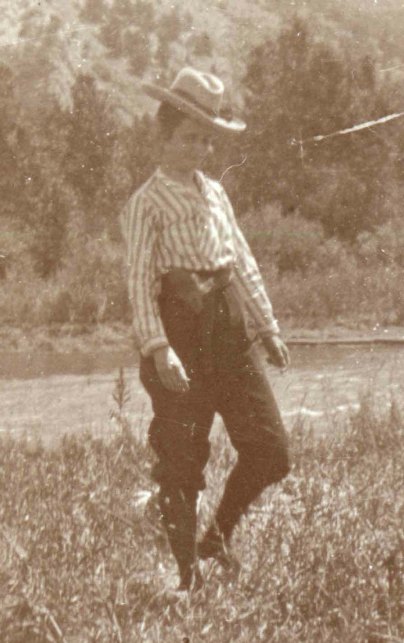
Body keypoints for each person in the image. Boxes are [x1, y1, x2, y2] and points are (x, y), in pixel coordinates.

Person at [120, 67, 291, 591]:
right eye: (186, 137)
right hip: (180, 337)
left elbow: (242, 261)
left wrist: (268, 326)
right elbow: (140, 282)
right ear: (162, 136)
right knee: (182, 463)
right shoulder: (145, 204)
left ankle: (215, 537)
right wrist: (158, 348)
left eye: (204, 139)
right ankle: (186, 577)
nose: (196, 147)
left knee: (271, 450)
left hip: (231, 329)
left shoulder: (216, 193)